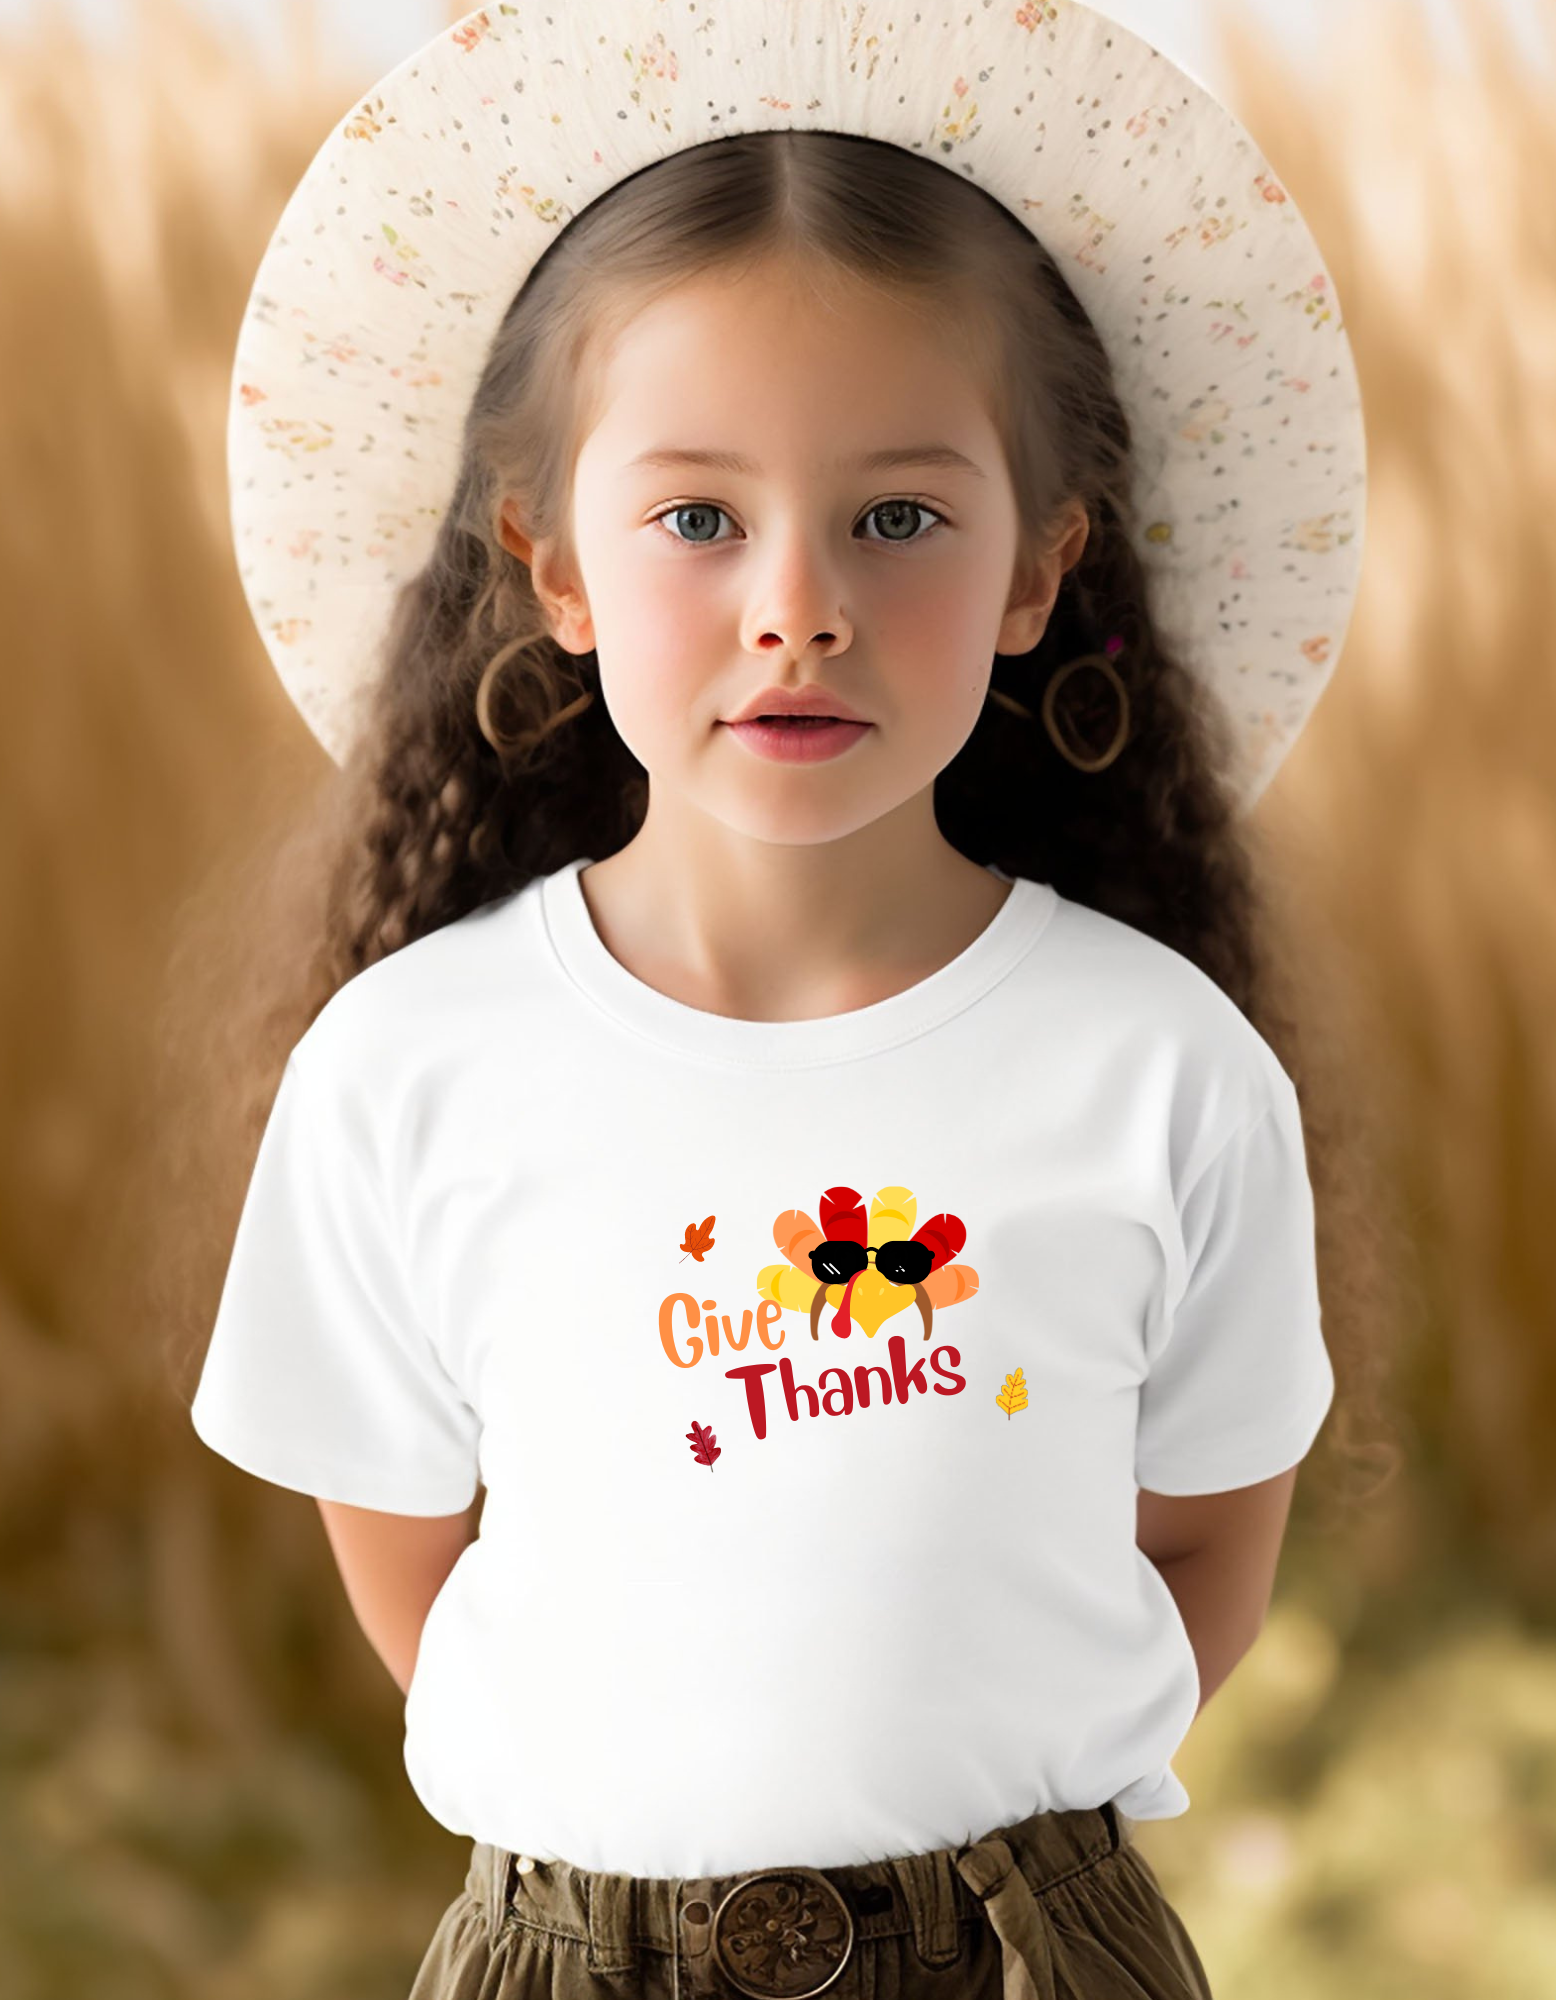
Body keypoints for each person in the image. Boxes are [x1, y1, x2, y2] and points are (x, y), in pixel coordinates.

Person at [184, 2, 1369, 1995]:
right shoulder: (404, 1070)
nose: (797, 606)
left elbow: (1205, 1557)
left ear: (1036, 569)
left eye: (898, 517)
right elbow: (414, 1573)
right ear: (551, 565)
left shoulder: (1163, 1070)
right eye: (696, 518)